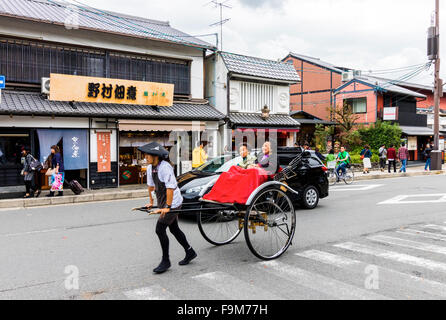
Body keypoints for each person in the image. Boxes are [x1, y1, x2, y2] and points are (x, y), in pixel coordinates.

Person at [140, 142, 196, 274]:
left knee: (160, 229)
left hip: (174, 202)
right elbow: (151, 186)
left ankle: (166, 261)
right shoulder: (150, 168)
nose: (145, 157)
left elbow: (170, 188)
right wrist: (150, 201)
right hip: (162, 200)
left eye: (147, 155)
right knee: (174, 229)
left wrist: (168, 207)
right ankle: (190, 251)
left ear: (155, 156)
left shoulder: (165, 167)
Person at [203, 141, 274, 204]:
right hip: (253, 170)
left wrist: (256, 166)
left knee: (253, 170)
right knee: (233, 168)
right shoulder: (261, 156)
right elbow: (254, 163)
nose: (263, 147)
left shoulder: (273, 156)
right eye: (263, 146)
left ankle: (243, 196)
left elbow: (271, 167)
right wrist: (252, 165)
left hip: (262, 173)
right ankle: (222, 194)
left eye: (266, 146)